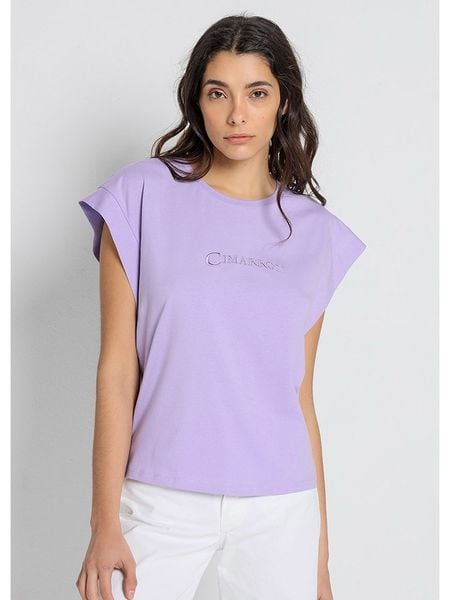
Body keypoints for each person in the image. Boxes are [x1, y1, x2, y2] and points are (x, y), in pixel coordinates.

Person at [75, 13, 367, 600]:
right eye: (218, 93)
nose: (237, 115)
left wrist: (319, 563)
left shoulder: (316, 234)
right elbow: (117, 369)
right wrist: (104, 523)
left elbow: (300, 397)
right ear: (197, 101)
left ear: (283, 102)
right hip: (160, 496)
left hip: (280, 506)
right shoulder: (139, 196)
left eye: (257, 93)